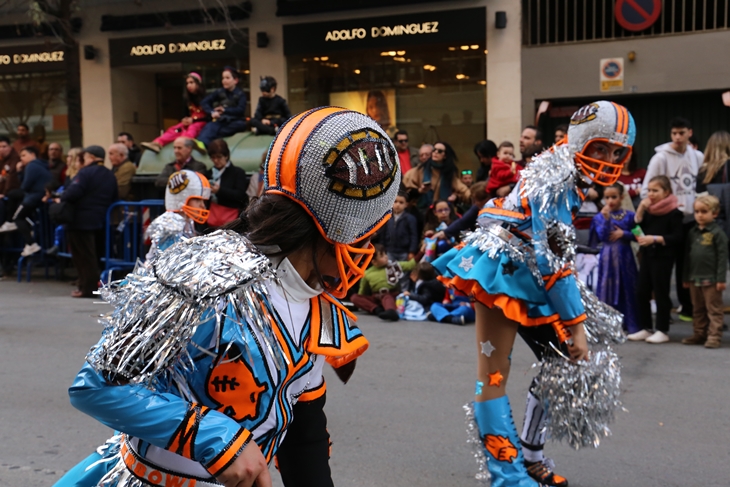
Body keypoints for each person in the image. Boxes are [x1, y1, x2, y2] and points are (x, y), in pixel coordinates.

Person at [53, 107, 398, 487]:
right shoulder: (203, 273)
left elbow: (304, 434)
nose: (367, 251)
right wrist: (208, 433)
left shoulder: (317, 303)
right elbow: (97, 384)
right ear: (335, 228)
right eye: (366, 236)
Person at [433, 101, 634, 487]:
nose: (608, 159)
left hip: (527, 272)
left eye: (616, 152)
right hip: (503, 273)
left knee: (561, 361)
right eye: (600, 148)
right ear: (581, 141)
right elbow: (553, 259)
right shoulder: (558, 178)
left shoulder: (565, 166)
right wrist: (575, 325)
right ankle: (507, 477)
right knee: (492, 376)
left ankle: (529, 457)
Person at [641, 117, 703, 322]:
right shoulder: (660, 158)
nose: (677, 137)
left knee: (687, 267)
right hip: (667, 218)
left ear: (689, 133)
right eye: (674, 133)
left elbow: (702, 186)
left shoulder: (697, 156)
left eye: (681, 133)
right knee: (662, 270)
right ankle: (663, 314)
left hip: (691, 218)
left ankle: (687, 308)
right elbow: (646, 189)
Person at [628, 175, 684, 344]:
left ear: (666, 192)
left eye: (655, 190)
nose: (651, 194)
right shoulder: (649, 211)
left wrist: (655, 239)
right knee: (641, 291)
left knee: (661, 292)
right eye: (649, 190)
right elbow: (636, 229)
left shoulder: (675, 213)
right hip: (648, 255)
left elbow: (677, 237)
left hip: (663, 256)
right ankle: (646, 327)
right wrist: (640, 211)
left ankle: (662, 329)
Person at [59, 145, 119, 298]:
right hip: (99, 218)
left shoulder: (85, 173)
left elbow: (73, 192)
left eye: (84, 157)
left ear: (91, 157)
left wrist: (62, 196)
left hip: (80, 219)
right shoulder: (109, 174)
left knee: (83, 256)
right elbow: (114, 196)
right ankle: (91, 285)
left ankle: (87, 287)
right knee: (93, 255)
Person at [590, 183, 640, 333]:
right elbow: (601, 237)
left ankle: (630, 324)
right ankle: (607, 326)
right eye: (607, 197)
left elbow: (639, 236)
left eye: (614, 197)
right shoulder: (599, 217)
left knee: (628, 288)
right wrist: (606, 220)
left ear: (621, 197)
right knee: (607, 289)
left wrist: (624, 234)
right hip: (607, 258)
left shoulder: (630, 216)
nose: (610, 200)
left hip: (625, 257)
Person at [681, 195, 728, 348]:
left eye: (704, 211)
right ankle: (699, 333)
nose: (699, 215)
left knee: (713, 309)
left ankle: (714, 336)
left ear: (714, 213)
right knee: (698, 308)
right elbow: (687, 256)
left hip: (711, 279)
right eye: (696, 211)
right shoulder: (692, 232)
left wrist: (721, 279)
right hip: (695, 277)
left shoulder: (717, 233)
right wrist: (686, 277)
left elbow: (722, 257)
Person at [145, 169, 211, 260]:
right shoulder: (171, 226)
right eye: (197, 200)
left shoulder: (186, 221)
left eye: (203, 201)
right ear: (182, 198)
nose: (202, 205)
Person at [141, 72, 208, 153]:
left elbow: (209, 116)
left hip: (201, 123)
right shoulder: (187, 99)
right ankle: (158, 143)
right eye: (187, 83)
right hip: (190, 121)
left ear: (198, 83)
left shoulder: (206, 98)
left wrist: (193, 121)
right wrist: (185, 120)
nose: (189, 85)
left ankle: (183, 145)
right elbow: (186, 114)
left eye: (191, 82)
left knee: (192, 128)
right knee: (176, 129)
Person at [351, 244, 415, 322]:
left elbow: (411, 264)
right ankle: (377, 309)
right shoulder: (367, 273)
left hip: (392, 296)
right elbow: (363, 293)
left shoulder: (394, 266)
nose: (386, 256)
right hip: (377, 298)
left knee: (386, 296)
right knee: (354, 297)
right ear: (374, 262)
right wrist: (359, 302)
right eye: (382, 256)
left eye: (385, 253)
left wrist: (422, 251)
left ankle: (391, 311)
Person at [7, 146, 51, 256]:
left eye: (23, 155)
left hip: (34, 196)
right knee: (14, 196)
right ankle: (28, 240)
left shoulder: (32, 166)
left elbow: (25, 186)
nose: (21, 158)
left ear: (32, 155)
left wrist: (19, 173)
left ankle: (31, 243)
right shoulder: (42, 165)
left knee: (18, 217)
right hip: (38, 195)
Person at [403, 141, 470, 209]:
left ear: (445, 155)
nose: (436, 152)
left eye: (440, 151)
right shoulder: (417, 171)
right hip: (420, 212)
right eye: (434, 150)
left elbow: (463, 191)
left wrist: (455, 196)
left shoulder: (449, 173)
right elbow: (404, 193)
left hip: (443, 211)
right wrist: (420, 191)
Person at [197, 66, 248, 147]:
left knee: (239, 125)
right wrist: (212, 112)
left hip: (235, 121)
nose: (224, 80)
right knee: (210, 126)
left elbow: (240, 110)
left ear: (235, 80)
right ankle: (201, 144)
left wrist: (225, 110)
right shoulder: (219, 92)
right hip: (222, 120)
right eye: (223, 78)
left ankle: (209, 142)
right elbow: (204, 102)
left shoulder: (241, 94)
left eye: (227, 78)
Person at [206, 138, 249, 212]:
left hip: (231, 213)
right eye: (213, 157)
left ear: (226, 156)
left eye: (219, 157)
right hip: (212, 214)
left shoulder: (237, 172)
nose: (216, 160)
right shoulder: (209, 173)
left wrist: (220, 190)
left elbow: (240, 195)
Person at [379, 190, 418, 262]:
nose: (398, 205)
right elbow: (383, 234)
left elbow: (414, 236)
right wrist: (382, 249)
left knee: (403, 271)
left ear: (406, 204)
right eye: (395, 201)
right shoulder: (387, 218)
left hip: (404, 252)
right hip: (389, 251)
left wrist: (412, 251)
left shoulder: (410, 218)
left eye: (401, 202)